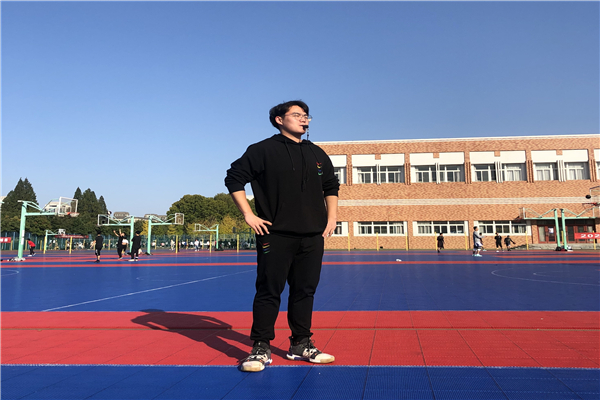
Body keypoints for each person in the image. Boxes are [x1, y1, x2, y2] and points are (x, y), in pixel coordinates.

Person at [225, 100, 339, 373]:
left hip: (312, 236)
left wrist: (332, 217)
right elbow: (234, 178)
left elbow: (330, 185)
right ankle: (260, 346)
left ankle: (301, 343)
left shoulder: (317, 153)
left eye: (306, 115)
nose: (304, 119)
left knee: (304, 291)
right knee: (269, 290)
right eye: (297, 115)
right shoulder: (262, 150)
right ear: (279, 119)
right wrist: (248, 214)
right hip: (274, 234)